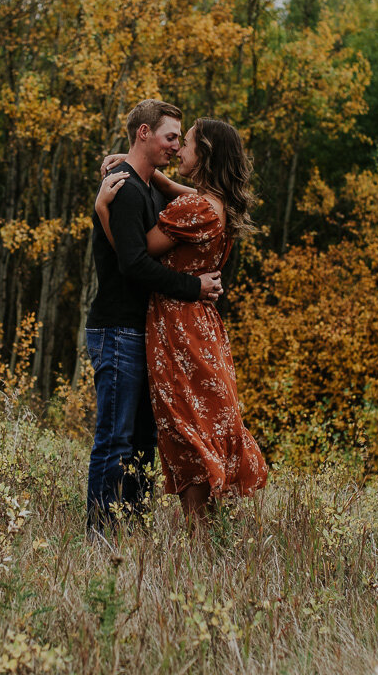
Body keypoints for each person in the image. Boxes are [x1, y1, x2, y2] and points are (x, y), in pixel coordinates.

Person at [95, 117, 267, 521]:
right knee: (200, 418)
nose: (178, 151)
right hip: (203, 324)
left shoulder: (194, 209)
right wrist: (137, 163)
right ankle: (202, 534)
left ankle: (197, 534)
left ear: (204, 154)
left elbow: (135, 257)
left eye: (185, 143)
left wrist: (104, 210)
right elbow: (173, 188)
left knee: (185, 422)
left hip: (179, 325)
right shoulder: (216, 202)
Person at [84, 99, 225, 538]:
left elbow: (207, 203)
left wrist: (158, 178)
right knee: (116, 438)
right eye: (169, 137)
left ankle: (134, 531)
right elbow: (134, 263)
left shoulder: (144, 185)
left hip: (140, 330)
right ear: (142, 133)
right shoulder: (123, 188)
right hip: (116, 328)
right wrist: (194, 287)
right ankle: (102, 534)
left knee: (143, 440)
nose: (174, 146)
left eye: (180, 141)